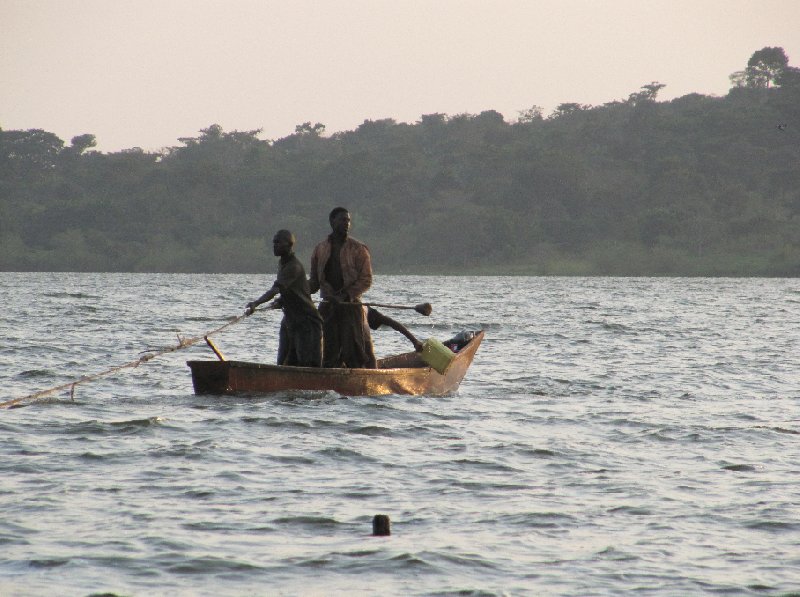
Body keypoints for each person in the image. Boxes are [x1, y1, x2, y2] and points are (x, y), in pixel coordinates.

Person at [309, 207, 377, 368]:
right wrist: (292, 293)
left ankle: (355, 381)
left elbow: (366, 280)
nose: (346, 223)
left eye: (348, 220)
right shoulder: (320, 249)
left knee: (353, 351)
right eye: (342, 220)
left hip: (350, 306)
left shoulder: (358, 249)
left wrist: (345, 296)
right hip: (328, 306)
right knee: (328, 351)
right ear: (332, 222)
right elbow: (313, 283)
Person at [245, 230, 322, 367]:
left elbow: (276, 289)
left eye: (278, 242)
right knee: (284, 362)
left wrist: (256, 303)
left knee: (307, 364)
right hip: (291, 321)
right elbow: (293, 290)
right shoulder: (283, 263)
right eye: (274, 242)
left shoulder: (293, 266)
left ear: (290, 244)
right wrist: (281, 301)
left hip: (307, 323)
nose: (275, 245)